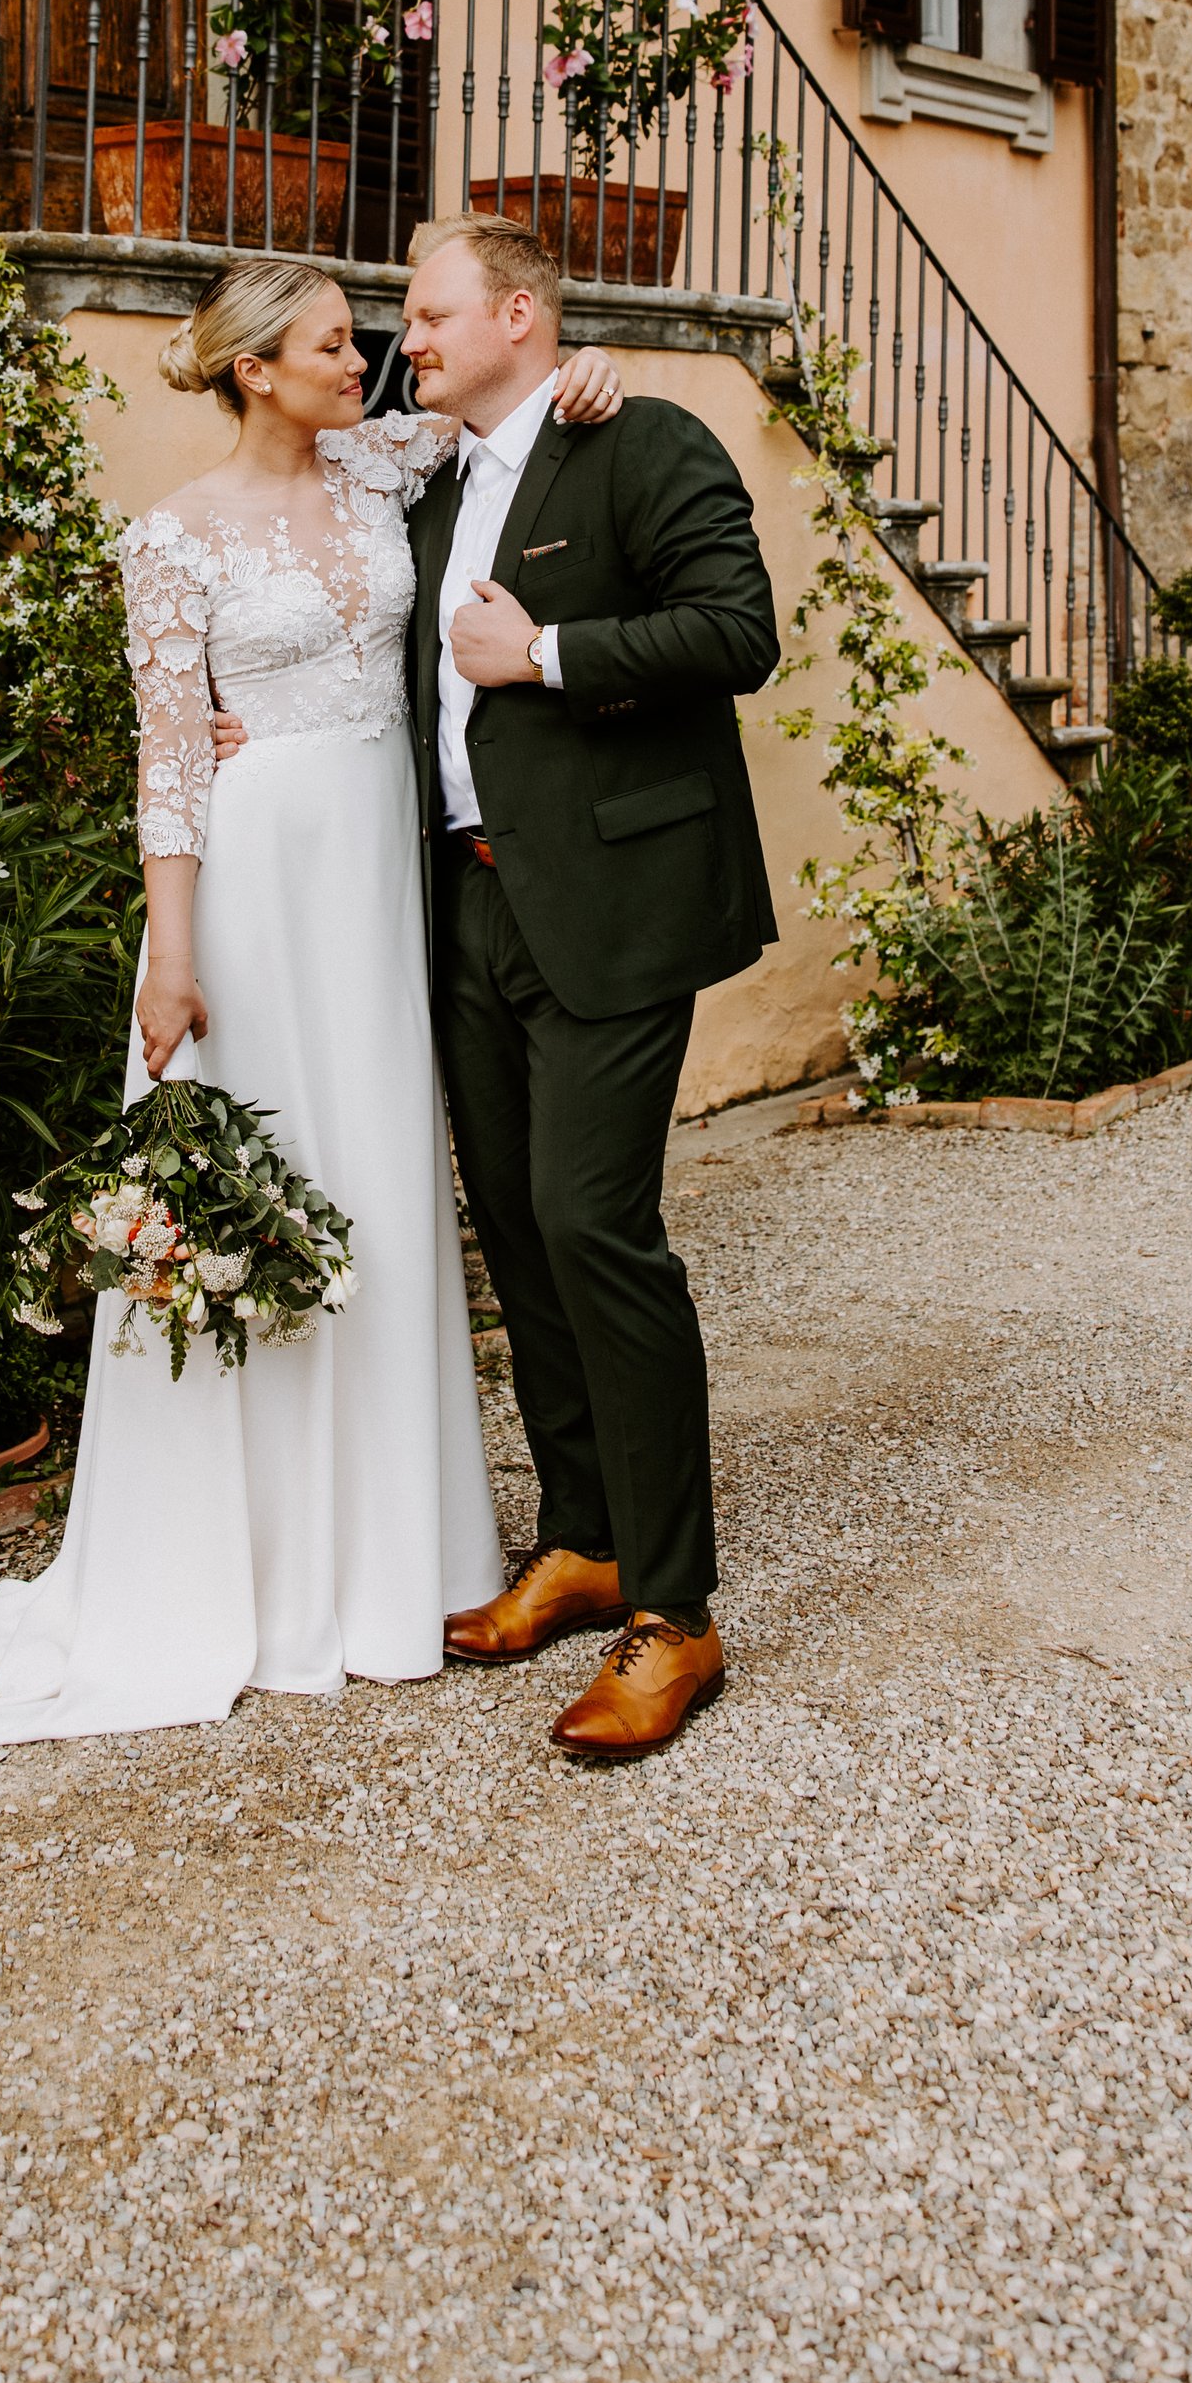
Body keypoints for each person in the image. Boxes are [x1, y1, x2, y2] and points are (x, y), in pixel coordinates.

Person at [0, 254, 626, 1743]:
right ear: (255, 371)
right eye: (335, 345)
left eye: (365, 341)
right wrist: (173, 955)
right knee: (267, 1179)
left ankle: (396, 1561)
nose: (366, 363)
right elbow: (169, 758)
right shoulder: (170, 539)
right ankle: (250, 1567)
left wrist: (592, 368)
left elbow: (518, 407)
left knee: (380, 1182)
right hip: (258, 887)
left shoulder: (388, 466)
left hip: (381, 883)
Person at [400, 214, 783, 1760]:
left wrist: (547, 652)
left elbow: (738, 631)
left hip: (614, 902)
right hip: (468, 903)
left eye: (429, 313)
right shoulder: (429, 482)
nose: (407, 337)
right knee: (514, 1220)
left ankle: (676, 1612)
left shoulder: (645, 441)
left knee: (591, 1220)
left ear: (518, 314)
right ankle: (586, 1535)